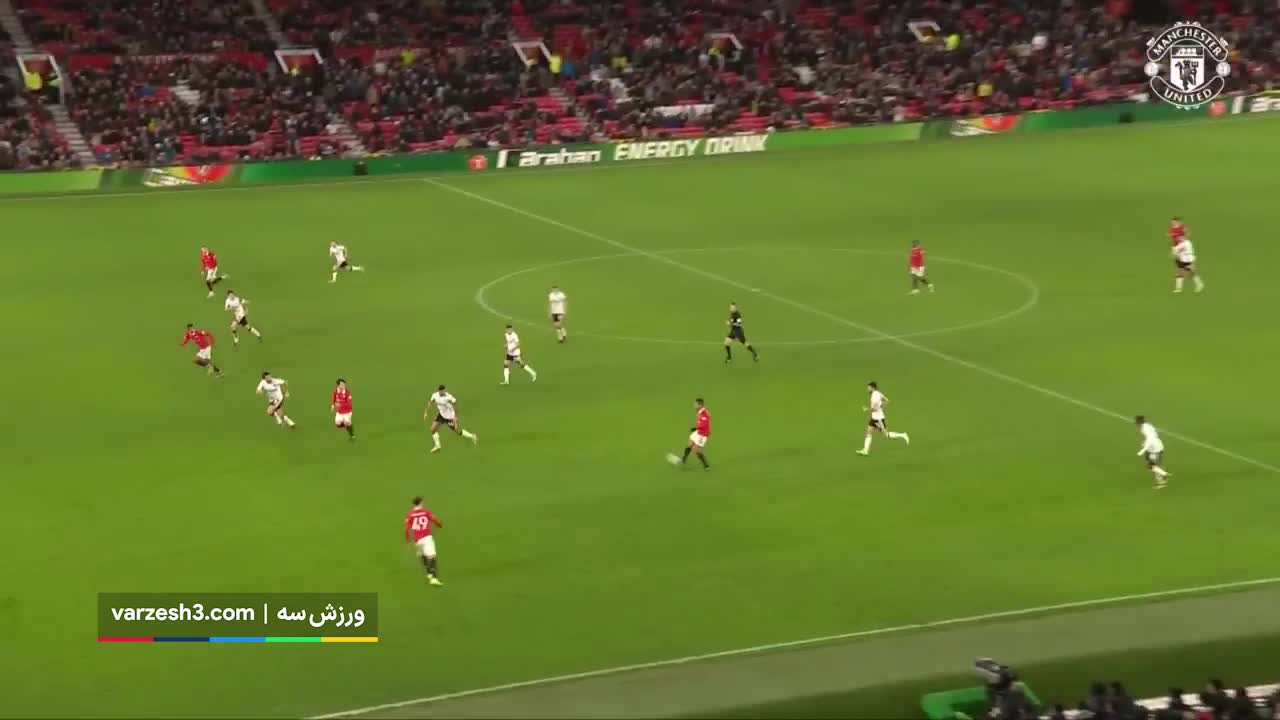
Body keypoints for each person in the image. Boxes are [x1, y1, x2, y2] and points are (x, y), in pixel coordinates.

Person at [856, 381, 910, 455]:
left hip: (878, 419)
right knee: (868, 433)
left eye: (869, 388)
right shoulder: (878, 393)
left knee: (886, 435)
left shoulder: (874, 397)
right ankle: (865, 450)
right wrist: (881, 406)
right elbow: (887, 401)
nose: (867, 389)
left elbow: (875, 409)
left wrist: (867, 409)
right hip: (874, 418)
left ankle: (903, 435)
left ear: (873, 388)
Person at [425, 384, 478, 452]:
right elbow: (430, 402)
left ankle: (472, 436)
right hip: (441, 415)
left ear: (444, 390)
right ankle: (438, 445)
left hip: (449, 417)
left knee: (457, 431)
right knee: (433, 429)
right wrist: (426, 412)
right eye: (440, 391)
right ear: (438, 391)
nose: (442, 392)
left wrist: (455, 417)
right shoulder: (435, 395)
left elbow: (455, 404)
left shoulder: (448, 397)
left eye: (443, 391)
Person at [404, 497, 444, 586]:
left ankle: (428, 573)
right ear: (421, 503)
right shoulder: (426, 512)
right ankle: (434, 578)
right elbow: (435, 520)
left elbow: (406, 529)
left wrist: (407, 540)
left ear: (414, 504)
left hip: (417, 540)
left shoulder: (409, 515)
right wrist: (440, 525)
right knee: (432, 556)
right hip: (426, 538)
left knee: (422, 555)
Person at [1169, 218, 1204, 293]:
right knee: (1180, 271)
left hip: (1186, 258)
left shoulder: (1186, 242)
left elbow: (1187, 234)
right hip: (1181, 255)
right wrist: (1175, 251)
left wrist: (1175, 252)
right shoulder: (1172, 230)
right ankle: (1179, 288)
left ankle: (1199, 284)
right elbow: (1173, 241)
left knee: (1190, 272)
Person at [1135, 415, 1170, 488]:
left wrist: (1143, 450)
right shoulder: (1148, 426)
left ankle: (1163, 479)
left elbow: (1150, 439)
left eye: (1137, 423)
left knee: (1152, 465)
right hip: (1154, 446)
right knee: (1152, 465)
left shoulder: (1144, 428)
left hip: (1155, 449)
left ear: (1139, 422)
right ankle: (1163, 476)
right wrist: (1145, 444)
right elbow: (1154, 435)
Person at [679, 398, 711, 470]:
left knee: (697, 451)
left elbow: (705, 425)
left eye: (695, 404)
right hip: (698, 431)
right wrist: (696, 428)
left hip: (702, 434)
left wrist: (696, 428)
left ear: (700, 405)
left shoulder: (704, 414)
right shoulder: (700, 411)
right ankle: (683, 459)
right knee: (689, 444)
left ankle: (706, 465)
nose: (694, 405)